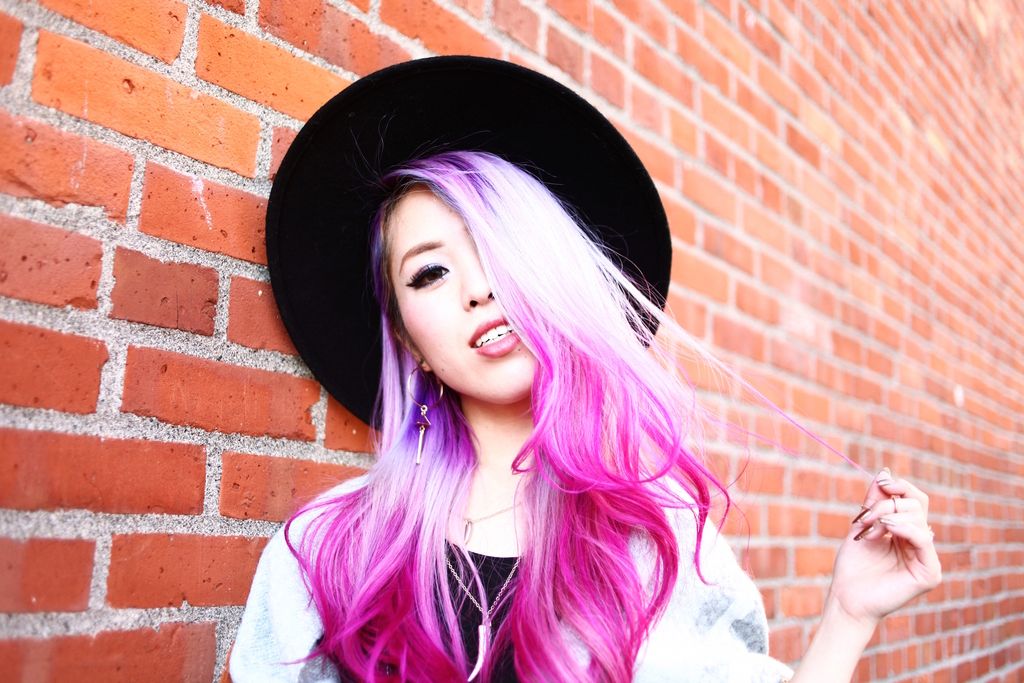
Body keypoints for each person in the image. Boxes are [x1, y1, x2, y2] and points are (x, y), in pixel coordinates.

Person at [230, 57, 941, 682]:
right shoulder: (329, 549)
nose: (478, 289)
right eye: (431, 272)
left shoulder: (662, 542)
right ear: (408, 340)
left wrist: (849, 615)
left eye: (500, 249)